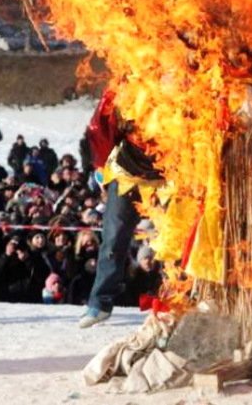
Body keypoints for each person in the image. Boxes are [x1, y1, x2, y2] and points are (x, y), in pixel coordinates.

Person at [78, 89, 159, 328]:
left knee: (175, 243)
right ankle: (100, 303)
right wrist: (101, 166)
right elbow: (101, 129)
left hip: (168, 174)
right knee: (113, 239)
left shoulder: (178, 85)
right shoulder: (125, 88)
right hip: (127, 174)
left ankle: (176, 302)